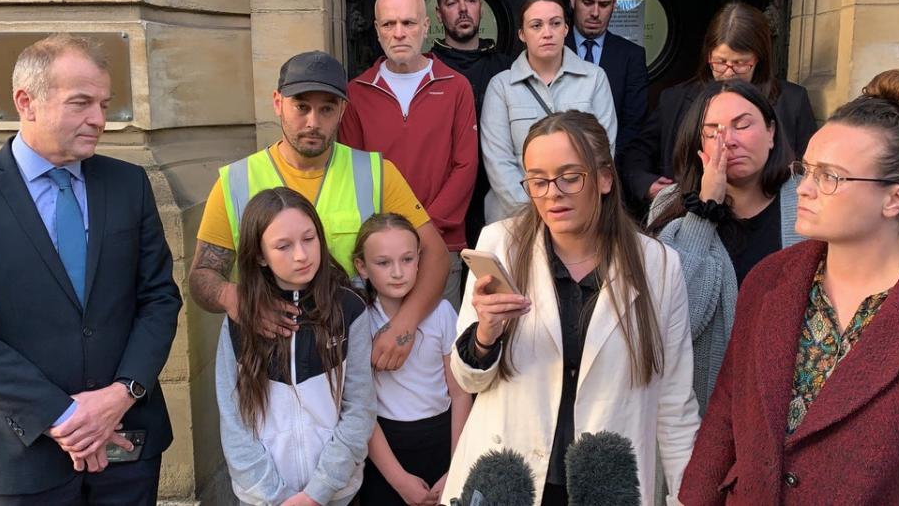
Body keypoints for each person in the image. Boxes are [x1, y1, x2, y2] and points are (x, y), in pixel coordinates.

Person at [0, 34, 181, 504]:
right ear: (26, 102)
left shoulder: (128, 185)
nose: (98, 119)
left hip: (128, 441)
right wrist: (66, 418)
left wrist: (122, 394)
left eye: (103, 103)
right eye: (81, 103)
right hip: (26, 451)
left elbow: (159, 298)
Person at [442, 110, 699, 506]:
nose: (552, 193)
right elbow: (467, 381)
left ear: (604, 178)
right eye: (538, 180)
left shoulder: (658, 266)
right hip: (511, 481)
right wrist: (485, 336)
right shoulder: (499, 246)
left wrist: (686, 497)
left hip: (607, 484)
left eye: (570, 176)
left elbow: (675, 403)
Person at [679, 70, 899, 504]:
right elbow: (728, 410)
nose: (804, 188)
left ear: (895, 198)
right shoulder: (770, 281)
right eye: (806, 169)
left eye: (830, 177)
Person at [190, 50, 450, 372]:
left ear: (342, 110)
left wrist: (403, 326)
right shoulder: (235, 182)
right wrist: (236, 298)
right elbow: (202, 277)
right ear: (277, 102)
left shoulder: (377, 173)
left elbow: (436, 255)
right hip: (271, 366)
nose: (313, 122)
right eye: (301, 106)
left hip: (357, 359)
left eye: (326, 108)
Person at [646, 79, 803, 414]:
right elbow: (674, 323)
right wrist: (704, 210)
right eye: (712, 130)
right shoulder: (669, 206)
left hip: (786, 401)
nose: (728, 141)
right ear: (697, 142)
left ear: (771, 132)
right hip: (702, 410)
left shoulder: (809, 201)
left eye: (742, 125)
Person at [216, 188, 375, 506]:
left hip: (336, 494)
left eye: (309, 238)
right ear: (259, 255)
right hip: (262, 498)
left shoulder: (349, 309)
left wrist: (317, 493)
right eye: (283, 246)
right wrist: (275, 496)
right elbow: (233, 418)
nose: (302, 255)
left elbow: (359, 409)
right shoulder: (239, 319)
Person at [340, 0, 478, 310]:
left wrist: (423, 229)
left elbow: (465, 166)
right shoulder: (356, 92)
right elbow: (354, 172)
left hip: (441, 244)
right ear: (377, 30)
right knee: (382, 348)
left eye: (409, 23)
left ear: (426, 26)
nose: (399, 32)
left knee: (438, 347)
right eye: (389, 24)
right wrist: (388, 237)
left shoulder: (456, 86)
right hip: (380, 250)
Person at [620, 1, 816, 216]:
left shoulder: (792, 101)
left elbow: (810, 167)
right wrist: (645, 184)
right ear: (708, 57)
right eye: (721, 62)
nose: (729, 73)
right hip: (688, 213)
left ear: (758, 60)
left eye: (741, 63)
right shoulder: (674, 99)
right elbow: (636, 152)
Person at [351, 213, 472, 506]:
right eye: (383, 263)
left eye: (407, 259)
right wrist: (399, 480)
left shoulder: (442, 313)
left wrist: (457, 465)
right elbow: (360, 407)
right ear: (361, 266)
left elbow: (459, 392)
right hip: (385, 450)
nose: (397, 272)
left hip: (442, 440)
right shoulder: (359, 320)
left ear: (419, 259)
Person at [480, 0, 618, 224]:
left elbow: (604, 153)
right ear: (522, 34)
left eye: (555, 23)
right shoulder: (502, 85)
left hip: (578, 218)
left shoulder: (594, 78)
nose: (547, 33)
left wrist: (571, 208)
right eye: (536, 25)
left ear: (565, 28)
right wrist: (538, 213)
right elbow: (498, 161)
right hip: (514, 219)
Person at [430, 0, 514, 251]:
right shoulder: (426, 69)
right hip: (442, 195)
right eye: (452, 2)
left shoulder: (507, 69)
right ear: (439, 14)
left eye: (470, 0)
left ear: (480, 7)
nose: (463, 9)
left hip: (498, 193)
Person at [565, 0, 649, 155]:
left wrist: (605, 165)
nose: (595, 12)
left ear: (614, 4)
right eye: (587, 2)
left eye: (604, 4)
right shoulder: (554, 49)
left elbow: (634, 125)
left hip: (612, 165)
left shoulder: (632, 56)